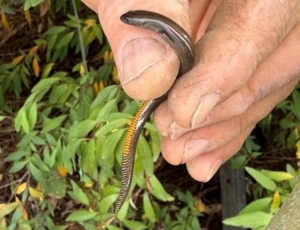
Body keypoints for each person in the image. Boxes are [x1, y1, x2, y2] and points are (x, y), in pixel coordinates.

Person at [82, 0, 300, 182]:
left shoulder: (156, 26)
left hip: (185, 71)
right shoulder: (152, 24)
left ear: (145, 25)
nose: (128, 22)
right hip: (182, 68)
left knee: (189, 100)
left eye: (131, 21)